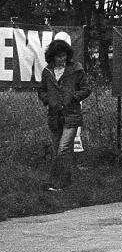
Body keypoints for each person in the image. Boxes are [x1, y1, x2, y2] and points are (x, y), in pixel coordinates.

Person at [37, 39, 91, 192]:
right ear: (52, 57)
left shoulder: (76, 69)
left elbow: (86, 89)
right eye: (59, 56)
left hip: (71, 115)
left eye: (64, 55)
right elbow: (42, 90)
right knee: (58, 152)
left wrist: (74, 97)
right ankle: (66, 182)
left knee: (63, 148)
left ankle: (54, 182)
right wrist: (48, 100)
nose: (62, 58)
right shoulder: (47, 72)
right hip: (54, 117)